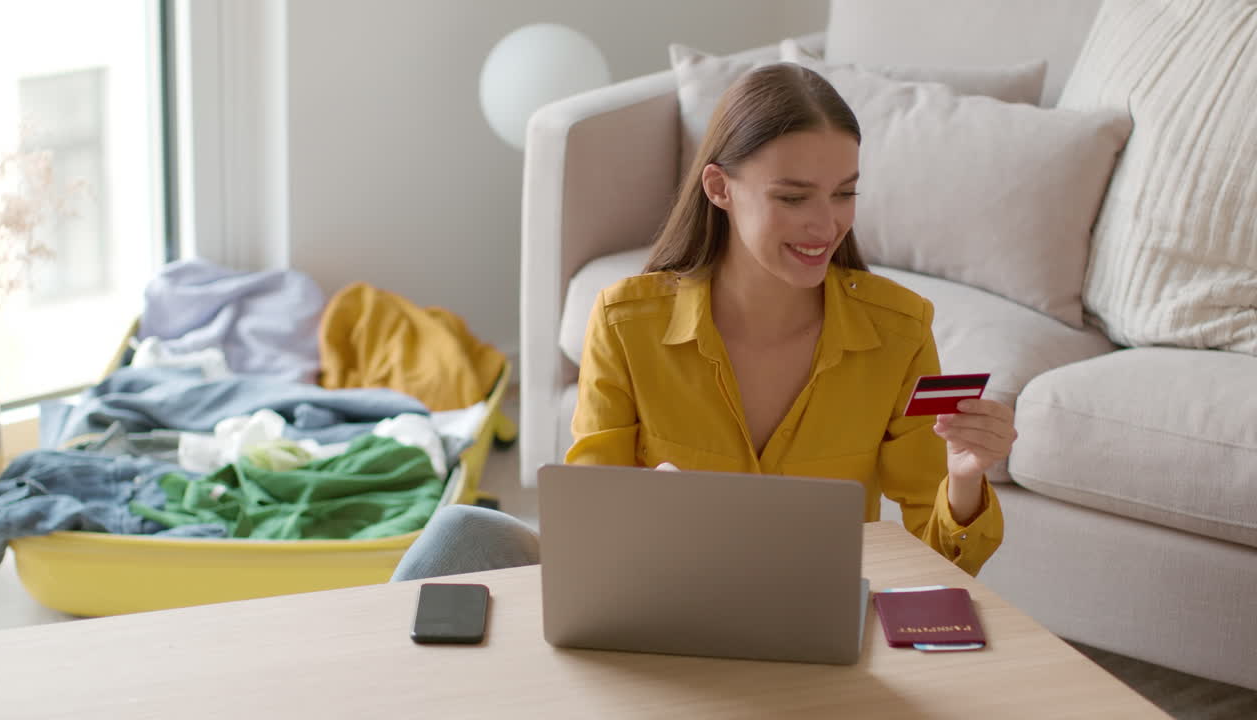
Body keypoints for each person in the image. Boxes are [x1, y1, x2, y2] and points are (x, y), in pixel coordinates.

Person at [392, 62, 1012, 582]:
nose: (826, 226)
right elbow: (583, 534)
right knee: (458, 535)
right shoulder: (625, 324)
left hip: (807, 617)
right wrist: (641, 515)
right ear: (719, 188)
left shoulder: (899, 333)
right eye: (793, 198)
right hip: (658, 599)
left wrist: (962, 483)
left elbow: (936, 569)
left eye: (844, 193)